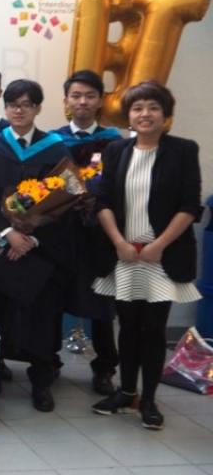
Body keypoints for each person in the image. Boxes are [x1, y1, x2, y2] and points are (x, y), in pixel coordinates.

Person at [91, 81, 201, 430]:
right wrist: (119, 242)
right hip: (125, 254)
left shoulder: (183, 150)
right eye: (138, 108)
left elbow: (189, 207)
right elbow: (103, 201)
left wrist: (159, 245)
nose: (145, 114)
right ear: (129, 115)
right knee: (127, 326)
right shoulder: (116, 151)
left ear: (165, 116)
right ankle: (125, 392)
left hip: (160, 257)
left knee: (153, 329)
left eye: (153, 107)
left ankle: (149, 400)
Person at [0, 79, 72, 412]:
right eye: (13, 104)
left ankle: (41, 379)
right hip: (1, 247)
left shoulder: (56, 149)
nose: (18, 110)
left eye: (26, 104)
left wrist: (32, 236)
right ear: (6, 108)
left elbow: (67, 199)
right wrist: (7, 233)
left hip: (41, 250)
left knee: (42, 315)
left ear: (38, 108)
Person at [54, 70, 122, 396]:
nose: (82, 101)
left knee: (101, 303)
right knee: (53, 297)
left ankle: (105, 368)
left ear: (100, 101)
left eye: (90, 96)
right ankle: (47, 362)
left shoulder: (116, 143)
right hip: (61, 230)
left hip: (99, 233)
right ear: (66, 101)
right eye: (76, 95)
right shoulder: (52, 141)